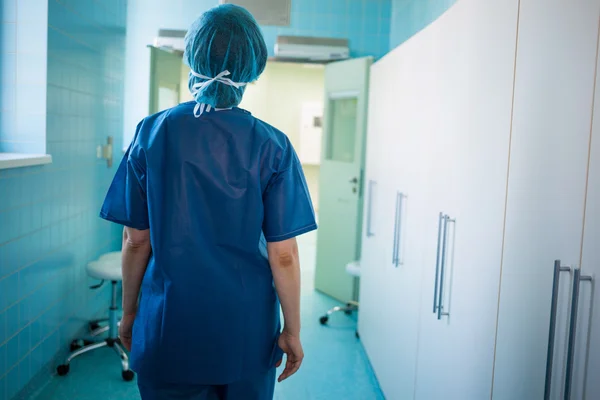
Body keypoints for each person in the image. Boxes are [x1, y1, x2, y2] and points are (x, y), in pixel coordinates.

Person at [99, 4, 317, 400]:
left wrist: (130, 313)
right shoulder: (273, 145)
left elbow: (135, 241)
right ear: (251, 67)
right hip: (245, 331)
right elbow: (283, 255)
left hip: (169, 325)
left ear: (194, 58)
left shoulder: (151, 133)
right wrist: (293, 331)